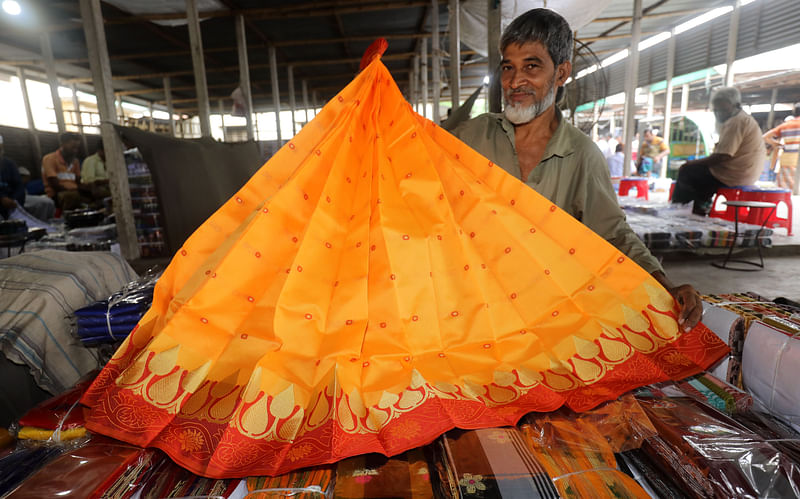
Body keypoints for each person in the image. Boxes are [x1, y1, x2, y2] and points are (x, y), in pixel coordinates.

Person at [451, 8, 702, 331]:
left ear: (561, 73)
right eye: (508, 67)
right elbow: (418, 182)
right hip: (472, 306)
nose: (515, 81)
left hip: (543, 314)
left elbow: (613, 234)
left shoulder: (581, 155)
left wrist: (664, 285)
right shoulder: (473, 136)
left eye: (531, 66)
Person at [671, 87, 765, 215]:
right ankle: (697, 206)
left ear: (735, 105)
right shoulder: (743, 119)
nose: (720, 114)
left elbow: (722, 156)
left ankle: (682, 210)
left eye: (723, 110)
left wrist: (693, 163)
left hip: (734, 174)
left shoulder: (736, 122)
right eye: (716, 110)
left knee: (688, 171)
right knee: (699, 172)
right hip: (746, 172)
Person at [41, 132, 86, 211]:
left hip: (73, 192)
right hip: (57, 194)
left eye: (77, 148)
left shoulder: (75, 161)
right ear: (63, 144)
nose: (75, 151)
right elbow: (54, 184)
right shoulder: (49, 158)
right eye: (73, 147)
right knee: (71, 196)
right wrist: (75, 191)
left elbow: (78, 182)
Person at [763, 103, 800, 194]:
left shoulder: (785, 125)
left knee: (785, 192)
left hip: (787, 162)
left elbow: (765, 137)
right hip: (796, 161)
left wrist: (778, 144)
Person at [0, 135, 25, 219]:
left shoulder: (9, 164)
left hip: (13, 199)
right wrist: (1, 198)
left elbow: (19, 185)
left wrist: (14, 200)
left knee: (45, 203)